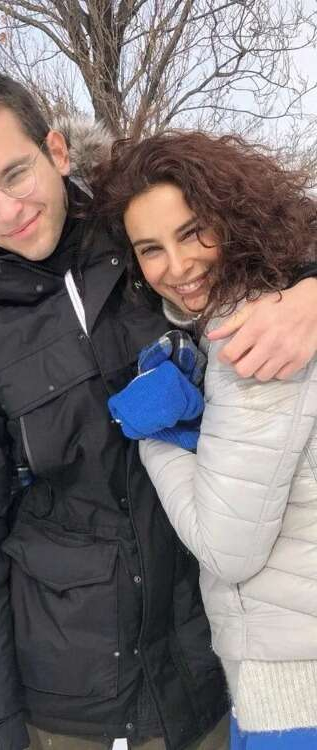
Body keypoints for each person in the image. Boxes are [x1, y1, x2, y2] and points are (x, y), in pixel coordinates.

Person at [0, 72, 317, 750]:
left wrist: (311, 293)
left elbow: (273, 225)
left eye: (15, 174)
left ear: (57, 151)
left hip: (201, 668)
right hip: (67, 696)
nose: (7, 210)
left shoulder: (153, 248)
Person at [91, 131, 317, 749]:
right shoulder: (279, 305)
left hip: (294, 685)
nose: (177, 265)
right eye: (151, 249)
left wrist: (157, 435)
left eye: (192, 233)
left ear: (234, 220)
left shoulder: (253, 340)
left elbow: (227, 548)